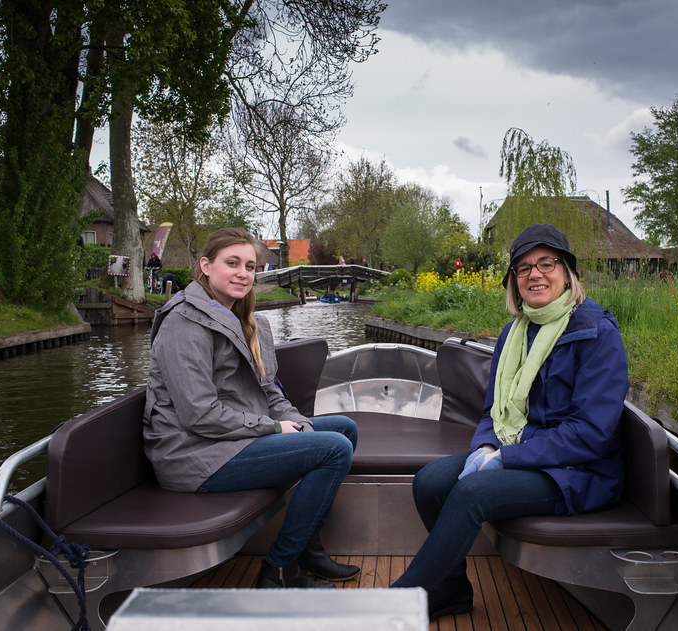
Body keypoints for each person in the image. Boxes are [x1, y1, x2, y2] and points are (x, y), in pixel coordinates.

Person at [391, 223, 629, 619]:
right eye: (523, 268)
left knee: (473, 492)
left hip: (579, 472)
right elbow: (492, 410)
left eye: (546, 263)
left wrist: (505, 458)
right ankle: (450, 591)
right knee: (429, 481)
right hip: (523, 452)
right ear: (514, 282)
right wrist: (486, 446)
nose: (534, 274)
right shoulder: (514, 333)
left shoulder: (596, 334)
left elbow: (591, 435)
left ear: (568, 272)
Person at [143, 227, 361, 589]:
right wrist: (274, 429)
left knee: (342, 430)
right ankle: (279, 569)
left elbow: (269, 392)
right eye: (233, 263)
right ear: (206, 266)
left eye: (250, 266)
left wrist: (293, 421)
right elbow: (199, 414)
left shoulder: (247, 321)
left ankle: (309, 549)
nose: (244, 273)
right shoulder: (184, 323)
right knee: (334, 450)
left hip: (229, 440)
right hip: (192, 454)